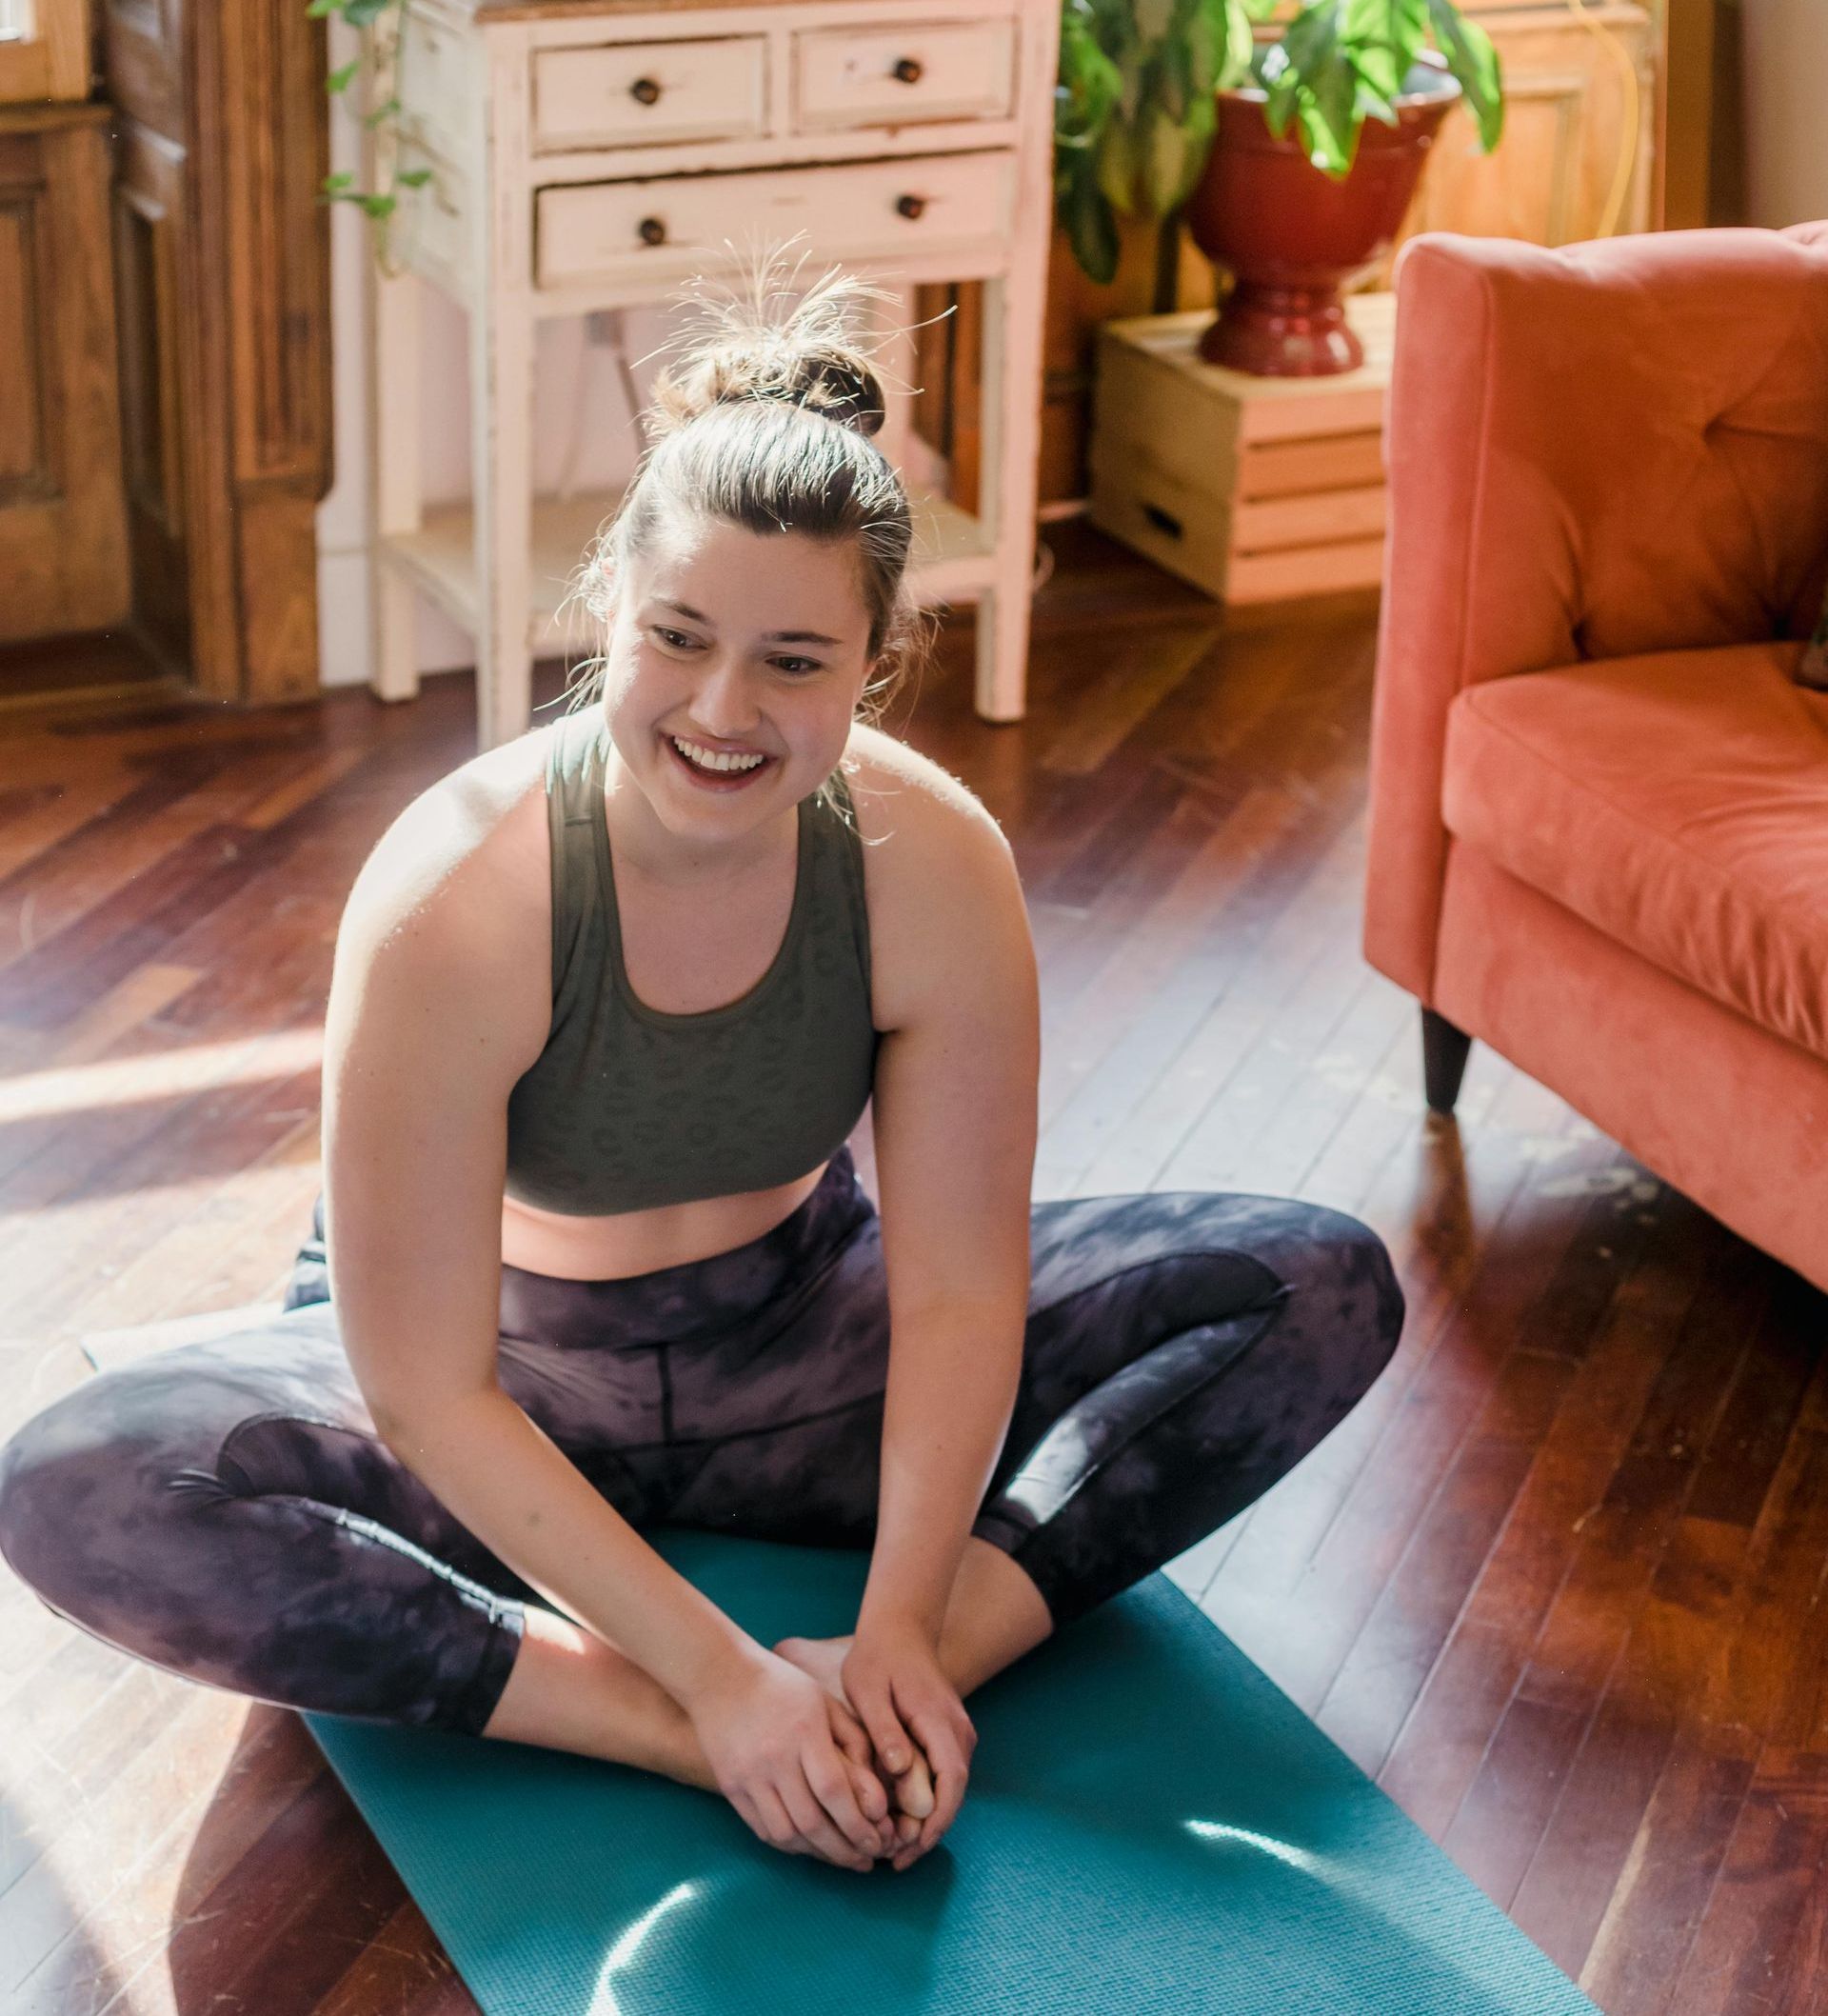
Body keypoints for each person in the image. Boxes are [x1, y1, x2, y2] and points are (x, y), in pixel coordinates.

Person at [0, 250, 1405, 1881]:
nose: (722, 709)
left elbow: (956, 1292)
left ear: (876, 662)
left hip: (803, 1341)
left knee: (1316, 1283)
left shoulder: (930, 862)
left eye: (796, 663)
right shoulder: (460, 888)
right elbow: (426, 1389)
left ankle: (907, 1684)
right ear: (610, 608)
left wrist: (894, 1640)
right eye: (676, 636)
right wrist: (721, 1688)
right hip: (503, 1372)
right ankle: (667, 1730)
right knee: (79, 1481)